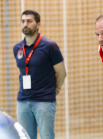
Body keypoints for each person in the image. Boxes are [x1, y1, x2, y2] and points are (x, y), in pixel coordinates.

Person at [13, 10, 66, 139]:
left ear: (38, 25)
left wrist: (57, 88)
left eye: (29, 21)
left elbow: (62, 73)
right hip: (23, 101)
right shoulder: (17, 48)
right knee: (25, 137)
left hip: (44, 101)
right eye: (23, 21)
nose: (25, 24)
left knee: (47, 136)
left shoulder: (50, 46)